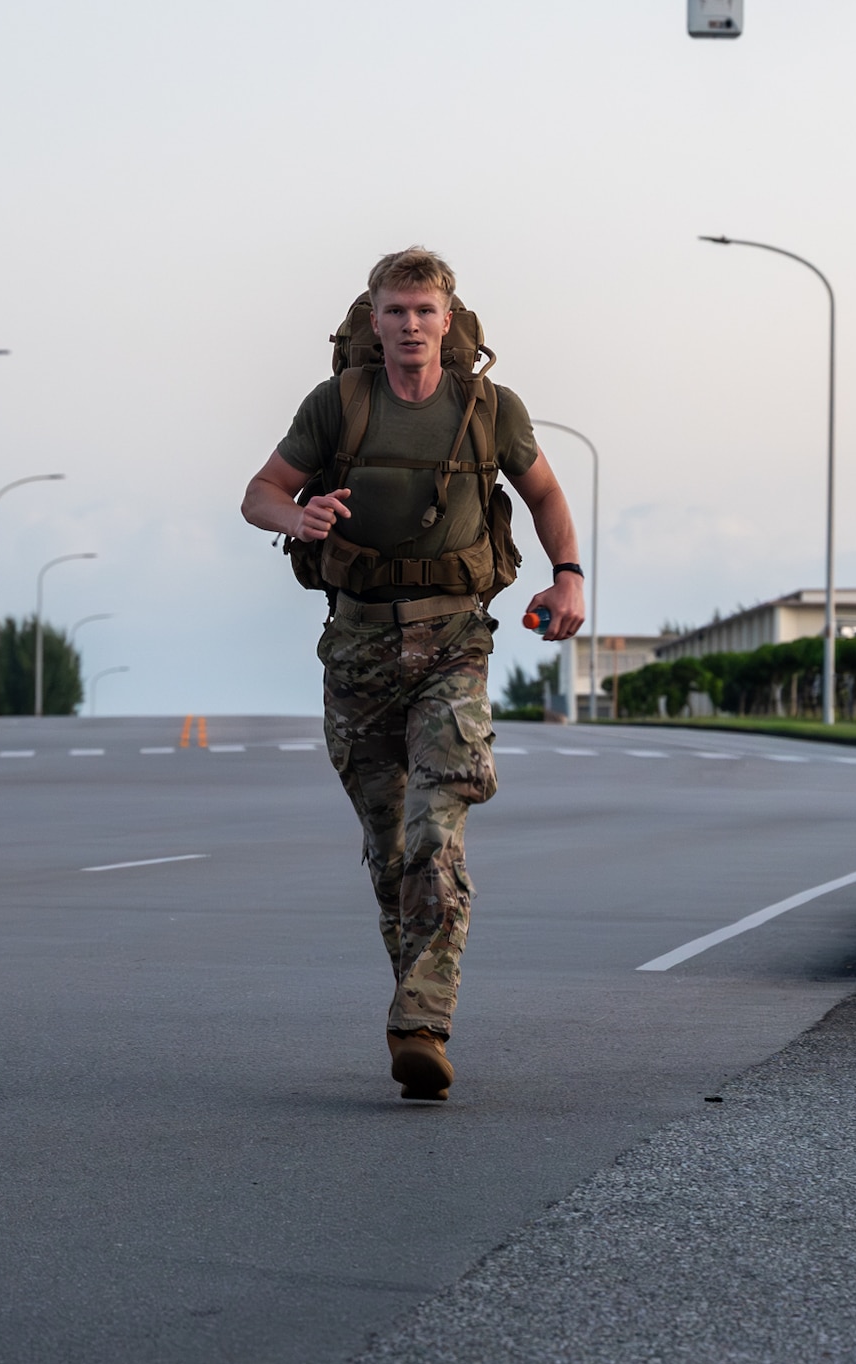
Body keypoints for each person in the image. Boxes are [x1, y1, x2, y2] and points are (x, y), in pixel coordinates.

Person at [239, 246, 584, 1101]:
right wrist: (301, 513)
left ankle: (423, 1021)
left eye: (425, 311)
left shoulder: (489, 408)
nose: (411, 325)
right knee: (392, 850)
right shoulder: (338, 404)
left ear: (450, 320)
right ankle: (416, 996)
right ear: (373, 319)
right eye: (395, 311)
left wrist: (568, 573)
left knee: (438, 833)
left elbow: (542, 494)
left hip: (454, 644)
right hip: (357, 649)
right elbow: (258, 494)